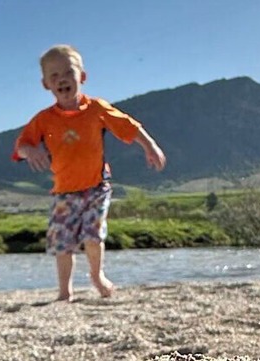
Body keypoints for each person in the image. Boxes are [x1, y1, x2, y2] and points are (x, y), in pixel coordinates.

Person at [13, 44, 166, 301]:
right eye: (54, 76)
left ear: (82, 77)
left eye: (68, 73)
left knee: (92, 236)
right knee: (63, 245)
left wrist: (150, 146)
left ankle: (97, 276)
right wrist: (32, 152)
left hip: (96, 186)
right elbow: (22, 145)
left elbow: (129, 126)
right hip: (63, 192)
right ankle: (65, 291)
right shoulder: (44, 119)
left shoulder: (96, 109)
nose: (62, 79)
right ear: (45, 85)